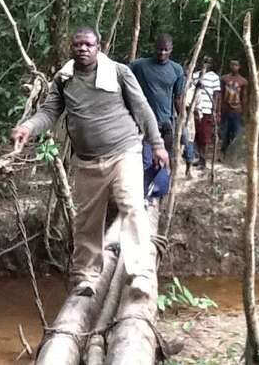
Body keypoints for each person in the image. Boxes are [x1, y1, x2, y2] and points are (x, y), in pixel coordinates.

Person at [12, 27, 169, 299]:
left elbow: (142, 107)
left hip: (125, 152)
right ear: (71, 48)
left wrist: (157, 144)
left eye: (88, 44)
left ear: (99, 47)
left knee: (132, 205)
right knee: (87, 220)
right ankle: (86, 276)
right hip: (87, 162)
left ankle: (141, 274)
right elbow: (49, 112)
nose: (82, 49)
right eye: (77, 45)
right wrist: (28, 127)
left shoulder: (119, 72)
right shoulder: (64, 79)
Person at [130, 34, 184, 198]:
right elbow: (123, 76)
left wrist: (182, 120)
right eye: (159, 49)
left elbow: (178, 98)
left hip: (166, 123)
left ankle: (160, 191)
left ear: (171, 50)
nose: (162, 53)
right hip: (145, 123)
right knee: (146, 160)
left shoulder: (176, 70)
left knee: (166, 158)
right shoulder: (140, 66)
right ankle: (144, 195)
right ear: (154, 48)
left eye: (165, 50)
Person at [191, 56, 221, 168]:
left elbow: (216, 95)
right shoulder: (194, 75)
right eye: (204, 62)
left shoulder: (214, 77)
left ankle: (203, 160)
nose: (205, 64)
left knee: (204, 136)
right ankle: (198, 157)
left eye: (208, 62)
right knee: (196, 135)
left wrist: (216, 111)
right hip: (195, 110)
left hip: (207, 110)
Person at [220, 59, 248, 155]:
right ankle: (223, 152)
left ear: (239, 67)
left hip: (237, 111)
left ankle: (234, 154)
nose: (233, 67)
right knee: (225, 132)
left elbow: (244, 97)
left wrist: (243, 112)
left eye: (236, 65)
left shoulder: (243, 81)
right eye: (232, 65)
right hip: (226, 110)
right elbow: (221, 94)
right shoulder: (224, 79)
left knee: (235, 132)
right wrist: (220, 109)